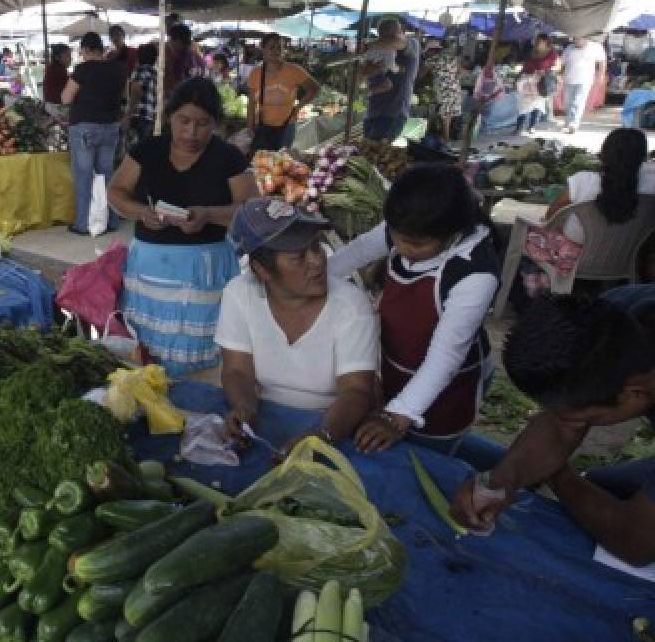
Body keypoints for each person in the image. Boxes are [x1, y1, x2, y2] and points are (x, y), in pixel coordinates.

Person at [450, 291, 655, 566]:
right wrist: (503, 480)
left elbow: (635, 544)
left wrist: (555, 473)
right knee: (597, 489)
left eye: (586, 418)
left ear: (634, 394)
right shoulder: (606, 322)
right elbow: (560, 425)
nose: (569, 422)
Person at [327, 164, 500, 457]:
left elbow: (446, 357)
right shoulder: (407, 227)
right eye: (396, 237)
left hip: (446, 387)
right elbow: (354, 254)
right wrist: (309, 281)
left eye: (416, 244)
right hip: (397, 365)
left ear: (452, 232)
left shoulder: (474, 273)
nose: (402, 247)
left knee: (429, 454)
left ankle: (505, 468)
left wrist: (397, 416)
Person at [107, 78, 257, 375]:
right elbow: (116, 192)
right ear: (169, 117)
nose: (191, 132)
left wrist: (209, 215)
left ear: (215, 124)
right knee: (148, 352)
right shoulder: (147, 150)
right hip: (150, 269)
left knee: (199, 357)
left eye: (202, 123)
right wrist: (141, 212)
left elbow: (251, 209)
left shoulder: (228, 158)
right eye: (183, 121)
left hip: (203, 272)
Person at [217, 197, 379, 447]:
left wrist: (322, 437)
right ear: (262, 270)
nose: (317, 261)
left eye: (316, 247)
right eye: (298, 257)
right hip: (266, 413)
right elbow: (237, 371)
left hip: (335, 423)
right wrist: (244, 409)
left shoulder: (351, 305)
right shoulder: (239, 294)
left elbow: (356, 391)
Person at [62, 32, 127, 235]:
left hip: (85, 127)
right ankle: (111, 220)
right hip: (110, 126)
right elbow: (123, 96)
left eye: (82, 50)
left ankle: (84, 223)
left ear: (88, 49)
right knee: (107, 174)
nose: (81, 54)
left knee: (84, 176)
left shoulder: (82, 70)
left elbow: (65, 98)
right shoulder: (118, 69)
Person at [544, 127, 654, 245]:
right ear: (643, 158)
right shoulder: (651, 183)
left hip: (576, 255)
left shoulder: (583, 180)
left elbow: (551, 215)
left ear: (603, 154)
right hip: (628, 257)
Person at [246, 32, 319, 153]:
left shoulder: (294, 70)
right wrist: (250, 125)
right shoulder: (256, 73)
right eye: (271, 47)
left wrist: (298, 107)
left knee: (281, 163)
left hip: (287, 126)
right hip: (263, 126)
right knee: (262, 163)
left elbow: (314, 88)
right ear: (263, 49)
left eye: (279, 47)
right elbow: (251, 103)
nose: (276, 51)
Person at [362, 18, 420, 142]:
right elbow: (365, 72)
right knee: (368, 150)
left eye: (386, 33)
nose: (383, 38)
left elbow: (392, 40)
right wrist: (378, 66)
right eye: (381, 33)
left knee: (377, 151)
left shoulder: (412, 43)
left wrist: (371, 44)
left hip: (393, 112)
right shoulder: (378, 50)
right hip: (373, 111)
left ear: (400, 31)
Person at [560, 34, 607, 134]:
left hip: (585, 80)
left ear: (586, 38)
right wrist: (559, 75)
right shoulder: (568, 48)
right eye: (575, 39)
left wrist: (601, 75)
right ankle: (567, 123)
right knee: (568, 103)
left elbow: (602, 62)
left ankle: (573, 124)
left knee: (578, 102)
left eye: (578, 38)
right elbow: (562, 64)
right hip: (569, 80)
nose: (576, 41)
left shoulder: (596, 47)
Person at [516, 33, 560, 134]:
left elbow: (558, 67)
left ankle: (532, 126)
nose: (536, 43)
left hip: (541, 83)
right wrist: (519, 75)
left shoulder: (552, 54)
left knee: (538, 105)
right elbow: (525, 65)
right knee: (523, 105)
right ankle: (519, 127)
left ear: (546, 43)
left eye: (539, 41)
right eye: (536, 41)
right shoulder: (531, 52)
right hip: (527, 81)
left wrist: (547, 70)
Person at [428, 40, 464, 142]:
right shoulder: (452, 58)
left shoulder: (432, 60)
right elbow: (460, 71)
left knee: (445, 116)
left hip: (443, 90)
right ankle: (446, 137)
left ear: (432, 51)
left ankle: (446, 138)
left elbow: (421, 74)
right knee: (449, 115)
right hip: (454, 88)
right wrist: (453, 79)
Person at [125, 42, 159, 146]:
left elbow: (136, 89)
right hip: (150, 116)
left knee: (135, 151)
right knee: (146, 149)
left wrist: (128, 114)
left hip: (138, 116)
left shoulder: (140, 71)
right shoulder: (155, 73)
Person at [164, 23, 207, 95]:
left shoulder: (180, 60)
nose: (169, 43)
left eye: (171, 40)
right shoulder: (198, 58)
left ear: (178, 41)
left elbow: (178, 87)